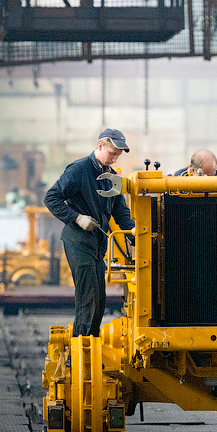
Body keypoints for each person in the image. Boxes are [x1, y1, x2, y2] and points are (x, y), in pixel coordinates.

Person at [45, 129, 135, 337]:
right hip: (78, 243)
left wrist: (134, 233)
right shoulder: (79, 170)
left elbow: (119, 210)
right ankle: (81, 355)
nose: (114, 159)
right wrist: (77, 218)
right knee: (88, 300)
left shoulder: (111, 176)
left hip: (96, 247)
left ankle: (91, 348)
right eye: (112, 154)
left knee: (99, 301)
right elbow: (51, 198)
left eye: (118, 156)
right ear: (100, 146)